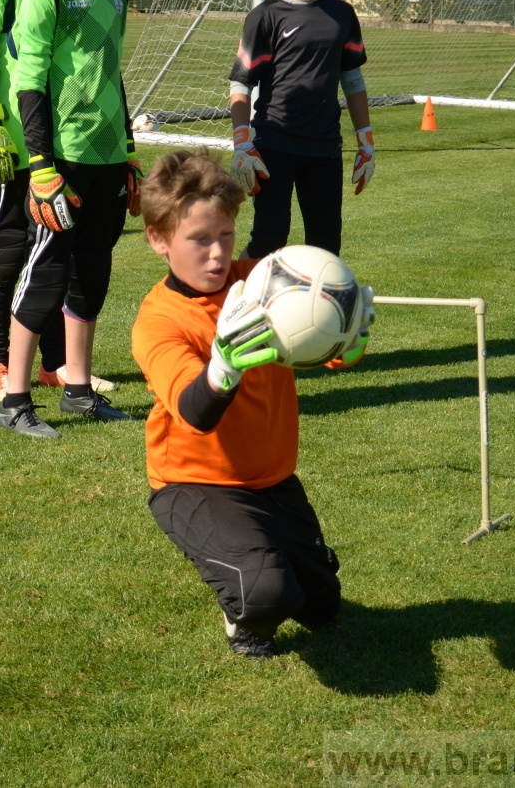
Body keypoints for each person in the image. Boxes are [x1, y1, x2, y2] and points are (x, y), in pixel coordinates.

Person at [131, 152, 374, 659]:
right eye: (199, 239)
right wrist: (223, 366)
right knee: (267, 597)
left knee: (322, 607)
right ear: (158, 239)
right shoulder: (159, 321)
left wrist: (346, 338)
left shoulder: (262, 282)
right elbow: (196, 411)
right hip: (193, 483)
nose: (218, 253)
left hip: (271, 478)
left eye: (225, 234)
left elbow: (315, 348)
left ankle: (281, 566)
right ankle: (242, 615)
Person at [0, 0, 143, 437]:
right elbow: (29, 83)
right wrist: (39, 166)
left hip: (109, 154)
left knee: (94, 268)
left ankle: (77, 389)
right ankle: (14, 400)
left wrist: (131, 151)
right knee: (47, 270)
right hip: (63, 156)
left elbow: (110, 71)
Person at [0, 0, 117, 403]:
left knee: (58, 251)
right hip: (16, 134)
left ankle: (55, 363)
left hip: (63, 138)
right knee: (11, 246)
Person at [227, 0, 373, 261]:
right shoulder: (266, 15)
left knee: (326, 243)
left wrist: (366, 141)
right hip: (274, 144)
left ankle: (317, 309)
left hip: (325, 147)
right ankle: (233, 301)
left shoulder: (342, 13)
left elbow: (353, 80)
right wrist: (242, 142)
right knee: (269, 238)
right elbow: (241, 83)